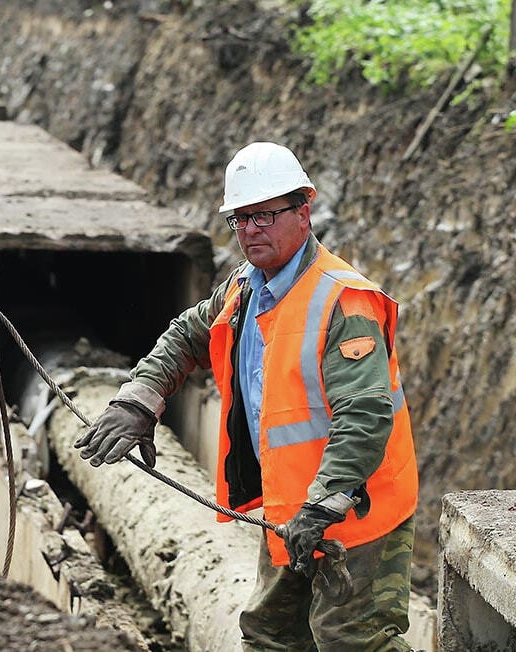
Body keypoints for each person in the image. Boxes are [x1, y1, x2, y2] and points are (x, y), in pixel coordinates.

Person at [75, 142, 419, 651]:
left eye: (264, 216)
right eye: (240, 219)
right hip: (291, 509)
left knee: (351, 639)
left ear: (303, 211)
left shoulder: (343, 301)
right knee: (271, 636)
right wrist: (139, 400)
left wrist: (324, 504)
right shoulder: (244, 288)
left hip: (356, 507)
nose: (250, 230)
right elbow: (185, 335)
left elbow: (363, 415)